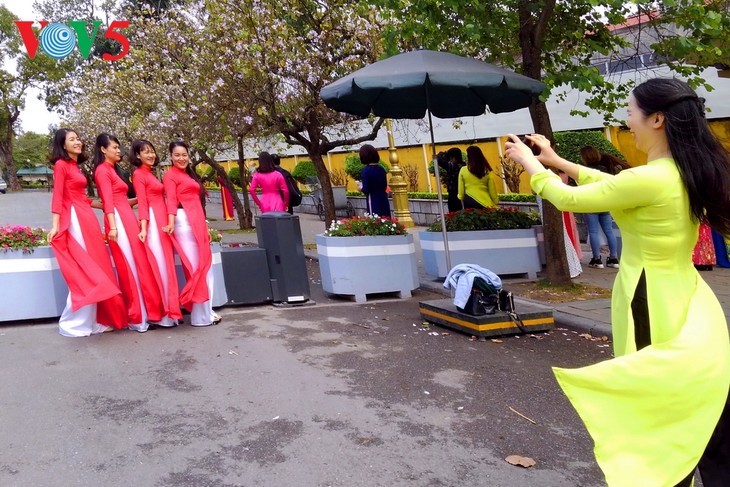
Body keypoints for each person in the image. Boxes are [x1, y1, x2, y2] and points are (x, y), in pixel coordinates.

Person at [505, 78, 730, 486]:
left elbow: (569, 199)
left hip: (648, 299)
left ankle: (661, 472)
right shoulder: (676, 171)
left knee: (651, 394)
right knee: (695, 385)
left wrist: (531, 163)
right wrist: (556, 160)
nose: (628, 123)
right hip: (687, 294)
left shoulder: (652, 178)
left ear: (657, 118)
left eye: (630, 113)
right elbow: (611, 186)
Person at [47, 128, 126, 337]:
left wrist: (104, 205)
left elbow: (82, 197)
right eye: (72, 139)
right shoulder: (61, 165)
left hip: (86, 217)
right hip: (75, 219)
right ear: (62, 145)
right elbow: (58, 196)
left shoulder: (74, 166)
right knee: (87, 270)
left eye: (78, 138)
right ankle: (76, 323)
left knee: (97, 267)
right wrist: (55, 225)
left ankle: (93, 321)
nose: (77, 142)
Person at [93, 133, 165, 332]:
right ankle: (136, 317)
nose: (118, 151)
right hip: (119, 223)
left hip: (127, 219)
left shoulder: (113, 170)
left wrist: (146, 199)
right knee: (129, 268)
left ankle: (145, 314)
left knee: (139, 266)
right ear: (103, 149)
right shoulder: (102, 171)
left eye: (118, 147)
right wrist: (113, 227)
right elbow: (108, 201)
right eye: (114, 147)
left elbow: (122, 201)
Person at [162, 141, 221, 327]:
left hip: (196, 221)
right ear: (171, 157)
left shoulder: (188, 174)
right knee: (196, 268)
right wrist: (170, 222)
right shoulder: (170, 175)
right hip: (183, 222)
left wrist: (204, 227)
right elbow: (171, 201)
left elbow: (197, 202)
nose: (181, 158)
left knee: (205, 266)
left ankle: (205, 312)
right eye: (177, 155)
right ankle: (200, 317)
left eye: (184, 154)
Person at [130, 139, 182, 328]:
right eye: (145, 152)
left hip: (162, 221)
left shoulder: (149, 173)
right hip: (153, 223)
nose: (151, 155)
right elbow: (143, 203)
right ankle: (164, 314)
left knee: (166, 265)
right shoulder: (138, 174)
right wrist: (144, 228)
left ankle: (170, 311)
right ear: (137, 155)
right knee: (160, 267)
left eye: (152, 151)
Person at [579, 146, 621, 269]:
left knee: (593, 232)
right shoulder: (604, 170)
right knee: (609, 231)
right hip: (605, 203)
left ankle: (597, 259)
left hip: (590, 204)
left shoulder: (583, 171)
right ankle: (614, 258)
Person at [359, 144, 391, 218]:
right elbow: (384, 185)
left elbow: (366, 189)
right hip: (383, 197)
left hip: (372, 198)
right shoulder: (381, 169)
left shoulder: (365, 171)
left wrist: (360, 189)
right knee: (385, 217)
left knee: (374, 219)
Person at [436, 147, 465, 212]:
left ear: (452, 157)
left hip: (453, 194)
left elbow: (438, 159)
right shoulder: (464, 166)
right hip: (464, 194)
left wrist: (442, 153)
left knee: (453, 213)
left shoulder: (451, 166)